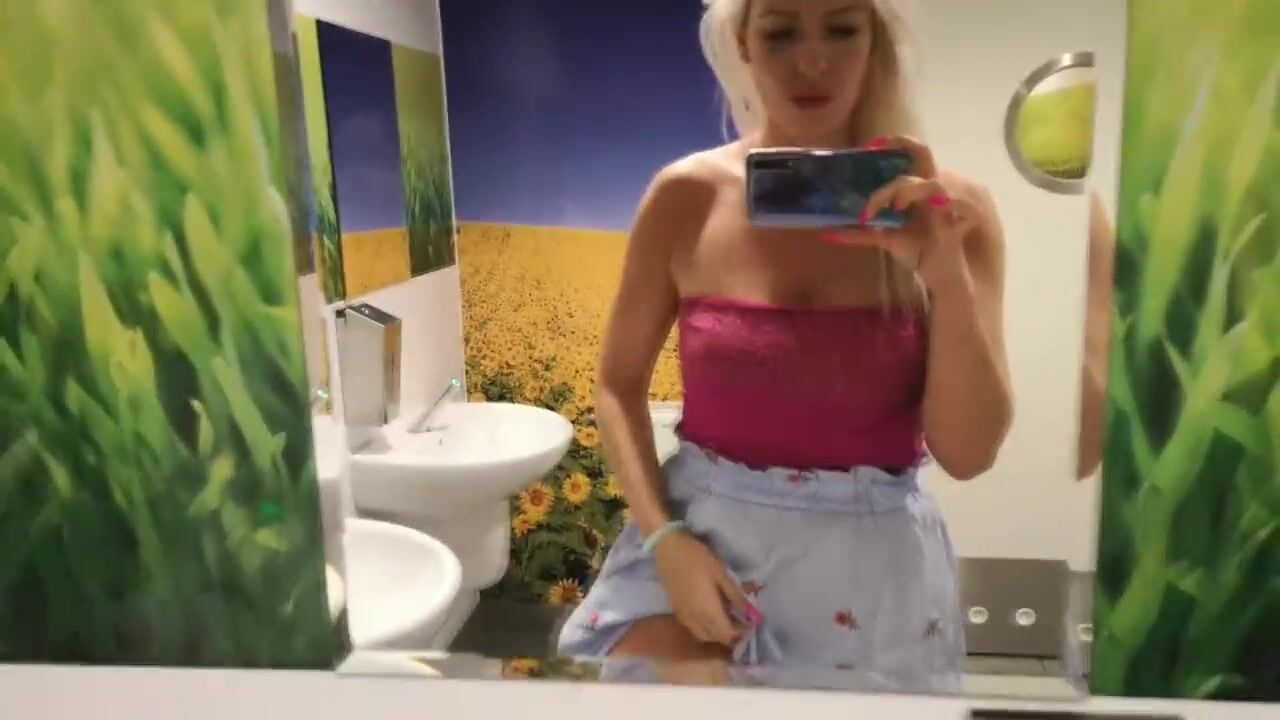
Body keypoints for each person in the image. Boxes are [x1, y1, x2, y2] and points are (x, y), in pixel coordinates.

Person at [558, 0, 1012, 691]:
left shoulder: (954, 214)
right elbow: (618, 386)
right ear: (744, 41)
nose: (813, 60)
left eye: (841, 28)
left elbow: (969, 453)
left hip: (873, 572)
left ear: (875, 38)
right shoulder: (686, 196)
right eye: (781, 32)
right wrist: (665, 541)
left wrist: (942, 275)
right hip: (699, 543)